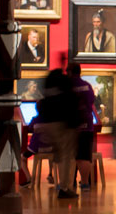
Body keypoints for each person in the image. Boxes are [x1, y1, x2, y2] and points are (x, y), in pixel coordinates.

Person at [36, 69, 80, 199]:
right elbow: (72, 102)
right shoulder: (65, 84)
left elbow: (41, 103)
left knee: (59, 155)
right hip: (64, 124)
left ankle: (59, 183)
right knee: (67, 156)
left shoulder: (49, 82)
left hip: (49, 123)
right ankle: (64, 187)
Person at [68, 62, 97, 191]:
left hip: (72, 126)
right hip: (87, 124)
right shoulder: (87, 86)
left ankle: (67, 184)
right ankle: (85, 183)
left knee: (70, 156)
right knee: (85, 155)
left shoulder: (67, 87)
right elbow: (92, 101)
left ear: (69, 72)